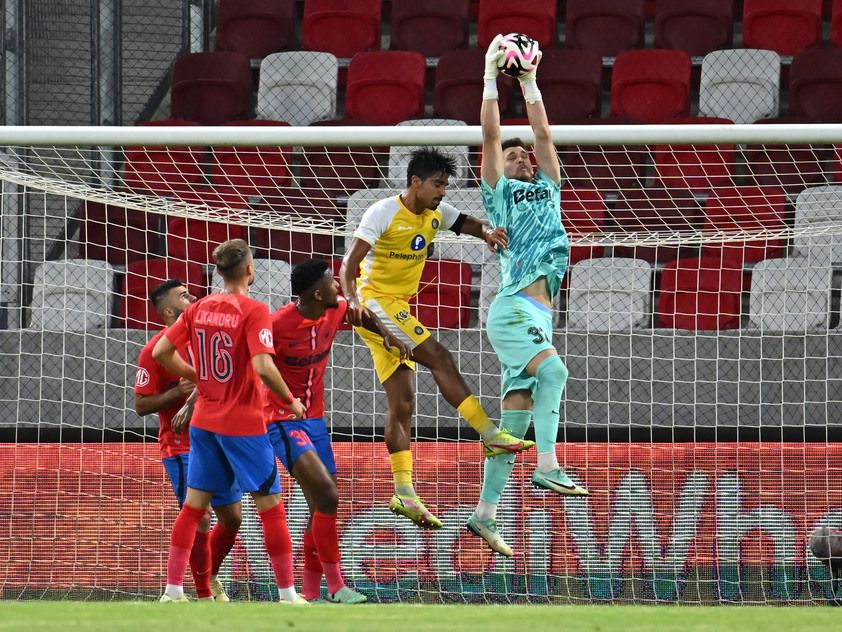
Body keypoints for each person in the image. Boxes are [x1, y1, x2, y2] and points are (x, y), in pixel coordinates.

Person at [340, 147, 534, 531]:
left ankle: (403, 490)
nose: (443, 192)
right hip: (376, 304)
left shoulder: (436, 214)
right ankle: (489, 435)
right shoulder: (382, 212)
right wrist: (351, 299)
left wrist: (488, 233)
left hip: (397, 307)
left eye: (446, 184)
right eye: (437, 184)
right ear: (415, 181)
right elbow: (349, 263)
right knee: (441, 358)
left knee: (403, 402)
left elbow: (469, 224)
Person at [466, 34, 589, 558]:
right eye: (512, 155)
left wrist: (531, 82)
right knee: (555, 372)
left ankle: (484, 513)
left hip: (537, 312)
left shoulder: (551, 185)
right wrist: (493, 76)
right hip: (513, 306)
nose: (520, 156)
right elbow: (492, 136)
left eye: (524, 155)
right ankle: (548, 467)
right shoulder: (499, 193)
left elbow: (541, 132)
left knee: (512, 422)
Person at [153, 239, 307, 604]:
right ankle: (287, 594)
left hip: (204, 421)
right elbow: (263, 366)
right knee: (270, 504)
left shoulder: (199, 308)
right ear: (250, 271)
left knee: (193, 507)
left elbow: (162, 351)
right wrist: (291, 401)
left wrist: (199, 376)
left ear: (218, 271)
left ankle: (173, 591)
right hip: (244, 421)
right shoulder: (254, 310)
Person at [265, 258, 409, 604]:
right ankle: (336, 585)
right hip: (282, 420)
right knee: (328, 495)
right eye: (332, 282)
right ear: (316, 292)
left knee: (321, 506)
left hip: (315, 421)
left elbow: (363, 315)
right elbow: (252, 361)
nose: (338, 287)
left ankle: (312, 595)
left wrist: (388, 337)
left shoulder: (337, 309)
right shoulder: (278, 324)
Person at [134, 279, 242, 601]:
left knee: (232, 518)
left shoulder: (209, 341)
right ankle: (202, 594)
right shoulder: (154, 350)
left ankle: (208, 573)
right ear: (168, 310)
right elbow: (141, 405)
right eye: (183, 296)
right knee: (201, 515)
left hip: (219, 438)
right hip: (180, 443)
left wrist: (193, 395)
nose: (192, 296)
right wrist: (174, 394)